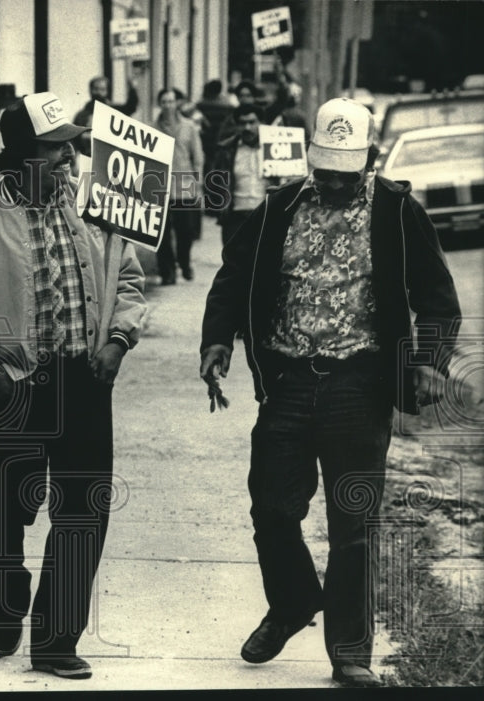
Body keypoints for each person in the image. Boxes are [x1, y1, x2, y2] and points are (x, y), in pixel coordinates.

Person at [199, 98, 461, 688]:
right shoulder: (278, 207)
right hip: (288, 381)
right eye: (327, 168)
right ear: (312, 158)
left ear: (368, 158)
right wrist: (216, 339)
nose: (337, 180)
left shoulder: (397, 212)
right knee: (272, 508)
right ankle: (293, 602)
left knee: (353, 525)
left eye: (349, 168)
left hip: (358, 385)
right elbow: (232, 277)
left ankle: (348, 652)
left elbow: (439, 300)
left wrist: (426, 362)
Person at [0, 92, 145, 680]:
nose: (71, 158)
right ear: (21, 156)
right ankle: (4, 591)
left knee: (82, 510)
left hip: (86, 381)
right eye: (56, 149)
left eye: (73, 145)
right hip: (18, 384)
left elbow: (127, 279)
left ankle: (56, 640)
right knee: (6, 508)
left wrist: (117, 342)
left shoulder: (98, 208)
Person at [154, 88, 204, 284]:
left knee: (186, 231)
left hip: (185, 183)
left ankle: (184, 263)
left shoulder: (189, 126)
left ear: (177, 103)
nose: (168, 105)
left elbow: (198, 156)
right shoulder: (151, 127)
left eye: (171, 101)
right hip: (160, 184)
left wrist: (198, 182)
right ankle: (167, 271)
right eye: (164, 101)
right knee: (161, 232)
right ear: (160, 104)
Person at [211, 104, 279, 247]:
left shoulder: (277, 148)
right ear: (236, 126)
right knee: (234, 265)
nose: (247, 128)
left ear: (261, 123)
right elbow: (216, 183)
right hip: (236, 216)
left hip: (267, 215)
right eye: (242, 123)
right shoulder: (226, 150)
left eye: (252, 122)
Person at [71, 75, 138, 158]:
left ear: (107, 91)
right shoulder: (82, 115)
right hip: (88, 158)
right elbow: (75, 141)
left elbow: (130, 107)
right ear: (90, 90)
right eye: (96, 89)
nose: (99, 93)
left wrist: (133, 88)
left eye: (102, 89)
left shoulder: (114, 111)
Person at [196, 79, 235, 176]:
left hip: (205, 140)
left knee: (206, 165)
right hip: (221, 140)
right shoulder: (228, 106)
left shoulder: (200, 105)